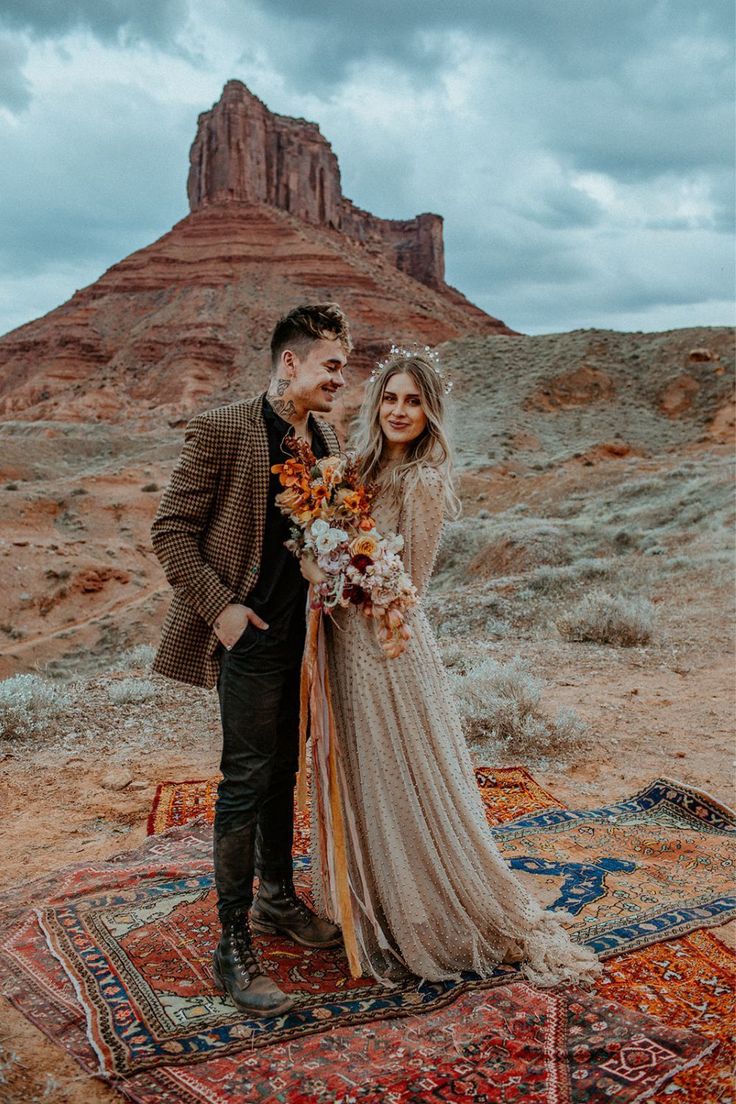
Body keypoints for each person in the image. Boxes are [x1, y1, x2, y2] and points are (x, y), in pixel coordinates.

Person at [301, 349, 601, 988]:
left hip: (388, 647)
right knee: (359, 768)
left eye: (413, 401)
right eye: (390, 399)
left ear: (430, 410)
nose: (400, 412)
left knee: (397, 772)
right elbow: (331, 529)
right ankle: (373, 899)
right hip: (342, 642)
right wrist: (320, 548)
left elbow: (411, 583)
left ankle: (431, 912)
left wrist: (331, 573)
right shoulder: (359, 470)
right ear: (376, 403)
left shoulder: (423, 482)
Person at [151, 303, 351, 1016]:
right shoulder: (226, 429)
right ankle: (231, 941)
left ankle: (275, 898)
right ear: (290, 362)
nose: (341, 379)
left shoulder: (324, 436)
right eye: (331, 365)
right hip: (249, 636)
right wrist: (223, 611)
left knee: (285, 772)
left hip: (306, 638)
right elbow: (171, 530)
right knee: (245, 778)